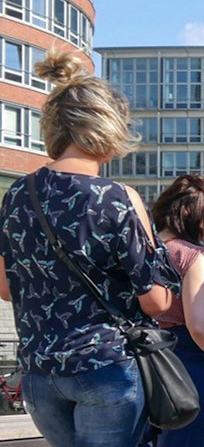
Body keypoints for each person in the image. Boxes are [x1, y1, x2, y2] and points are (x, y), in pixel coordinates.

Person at [0, 50, 180, 446]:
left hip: (39, 372)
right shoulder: (116, 197)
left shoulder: (17, 195)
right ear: (107, 128)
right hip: (106, 367)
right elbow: (156, 302)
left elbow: (7, 288)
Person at [145, 175, 204, 446]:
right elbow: (201, 327)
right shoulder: (192, 255)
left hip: (142, 360)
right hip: (189, 366)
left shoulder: (141, 250)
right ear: (194, 214)